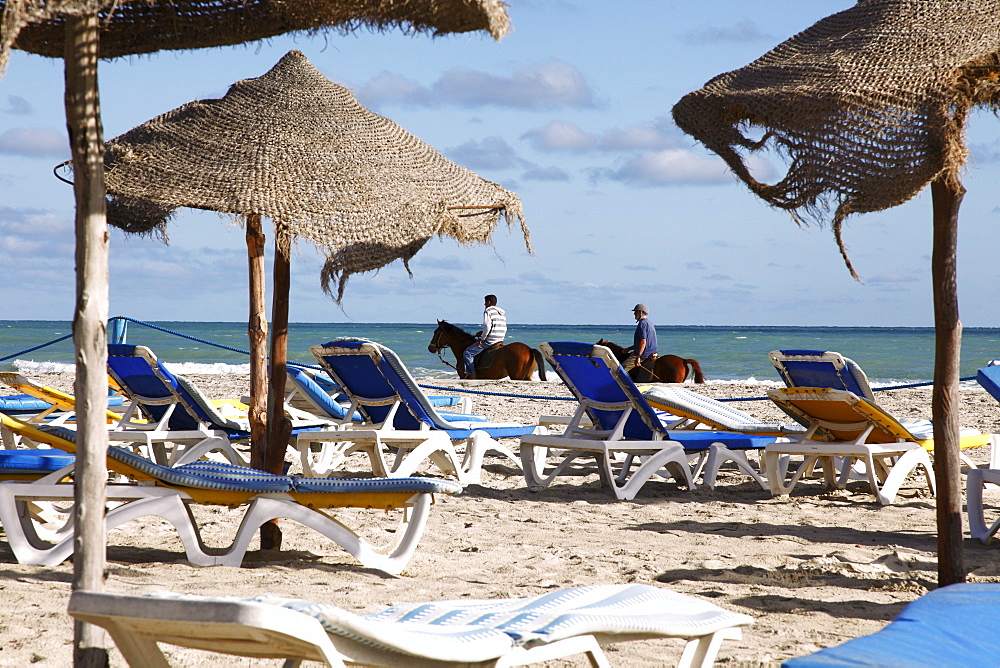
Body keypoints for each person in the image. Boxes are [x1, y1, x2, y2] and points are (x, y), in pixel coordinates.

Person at [463, 294, 507, 379]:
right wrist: (483, 332)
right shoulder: (501, 313)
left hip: (491, 340)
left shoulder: (488, 311)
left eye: (485, 302)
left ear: (488, 302)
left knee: (467, 353)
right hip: (500, 339)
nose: (484, 304)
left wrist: (481, 339)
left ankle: (472, 374)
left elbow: (487, 326)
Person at [623, 303, 657, 377]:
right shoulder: (650, 323)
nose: (634, 313)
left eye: (636, 311)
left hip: (644, 354)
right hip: (652, 352)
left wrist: (638, 356)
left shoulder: (642, 324)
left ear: (642, 312)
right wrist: (629, 348)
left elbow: (643, 341)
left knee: (621, 370)